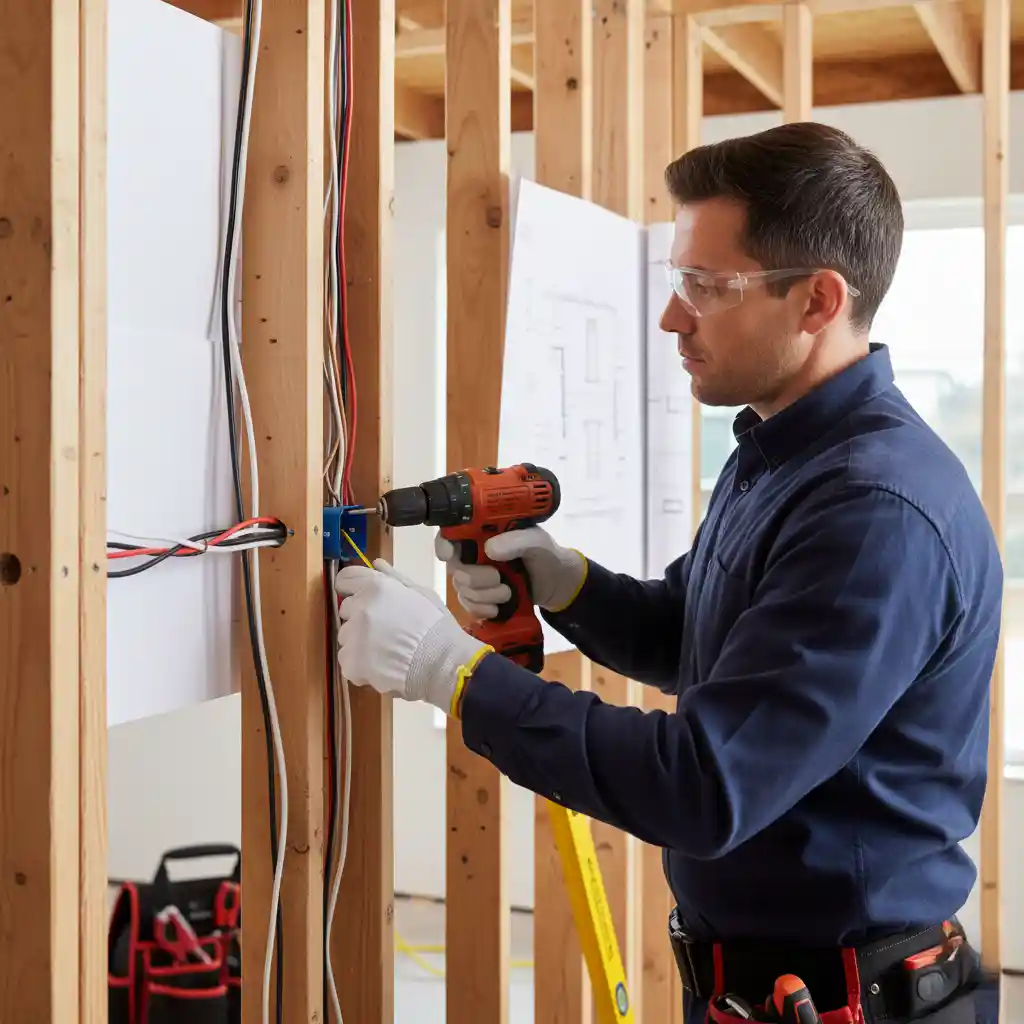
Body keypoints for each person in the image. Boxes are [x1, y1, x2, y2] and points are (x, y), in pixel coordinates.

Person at [334, 122, 1003, 1023]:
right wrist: (566, 580)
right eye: (676, 280)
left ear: (817, 301)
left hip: (850, 1001)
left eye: (706, 285)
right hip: (761, 991)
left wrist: (448, 672)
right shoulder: (780, 450)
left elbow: (704, 785)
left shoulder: (876, 512)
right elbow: (699, 634)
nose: (672, 316)